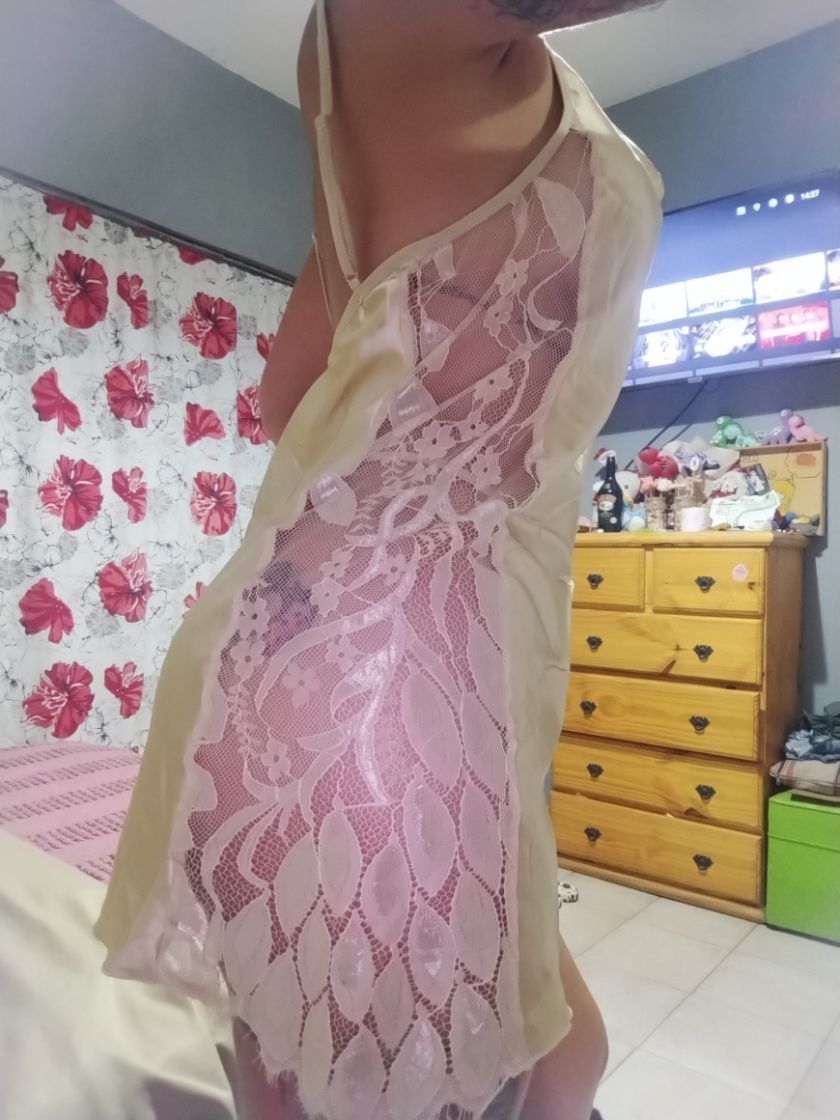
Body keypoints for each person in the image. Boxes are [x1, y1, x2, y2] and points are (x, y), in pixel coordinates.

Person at [95, 3, 664, 1119]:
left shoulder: (424, 80)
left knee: (539, 1057)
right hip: (373, 701)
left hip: (394, 677)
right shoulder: (426, 47)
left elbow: (288, 396)